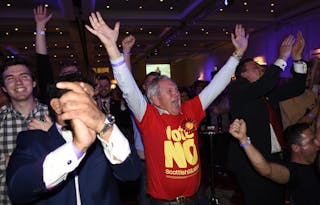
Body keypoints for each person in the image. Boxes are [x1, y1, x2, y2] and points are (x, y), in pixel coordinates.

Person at [85, 11, 248, 204]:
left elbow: (216, 86)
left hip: (193, 200)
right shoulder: (149, 117)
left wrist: (237, 54)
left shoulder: (190, 111)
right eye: (169, 91)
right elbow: (128, 88)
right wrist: (112, 48)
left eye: (176, 90)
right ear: (154, 98)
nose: (176, 94)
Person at [6, 73, 141, 205]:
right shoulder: (33, 140)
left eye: (92, 98)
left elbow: (131, 172)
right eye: (81, 97)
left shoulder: (105, 140)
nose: (90, 104)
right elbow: (18, 190)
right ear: (57, 106)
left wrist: (103, 126)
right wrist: (76, 148)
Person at [227, 32, 308, 205]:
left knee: (277, 199)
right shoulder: (239, 91)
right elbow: (265, 84)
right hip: (251, 162)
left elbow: (298, 87)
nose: (261, 68)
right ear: (243, 75)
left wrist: (298, 58)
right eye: (255, 67)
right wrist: (281, 57)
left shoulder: (266, 93)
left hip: (276, 158)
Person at [229, 119, 320, 205]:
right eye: (312, 141)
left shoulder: (316, 162)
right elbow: (267, 170)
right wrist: (244, 140)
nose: (317, 143)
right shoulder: (294, 172)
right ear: (296, 148)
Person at [0, 57, 52, 205]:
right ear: (4, 88)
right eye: (10, 78)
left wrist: (53, 134)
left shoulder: (55, 116)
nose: (18, 82)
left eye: (24, 76)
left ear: (34, 83)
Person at [280, 60, 320, 130]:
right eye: (305, 75)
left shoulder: (310, 93)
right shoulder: (286, 97)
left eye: (310, 74)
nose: (309, 78)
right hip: (298, 139)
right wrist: (316, 108)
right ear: (293, 76)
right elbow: (298, 126)